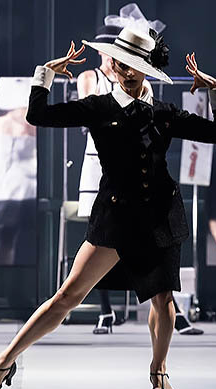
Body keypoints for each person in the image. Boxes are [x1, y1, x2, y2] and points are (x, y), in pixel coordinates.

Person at [0, 27, 216, 389]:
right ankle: (5, 360)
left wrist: (215, 91)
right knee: (67, 297)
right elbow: (37, 115)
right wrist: (45, 74)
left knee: (164, 300)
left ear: (147, 69)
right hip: (116, 217)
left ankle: (159, 370)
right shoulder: (98, 107)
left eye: (135, 65)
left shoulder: (164, 113)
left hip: (161, 218)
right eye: (121, 64)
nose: (127, 72)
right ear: (111, 65)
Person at [77, 23, 202, 336]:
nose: (115, 61)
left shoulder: (140, 82)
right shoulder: (91, 78)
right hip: (99, 158)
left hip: (132, 163)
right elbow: (90, 113)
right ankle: (105, 311)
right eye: (113, 55)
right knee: (102, 235)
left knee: (143, 236)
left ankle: (165, 305)